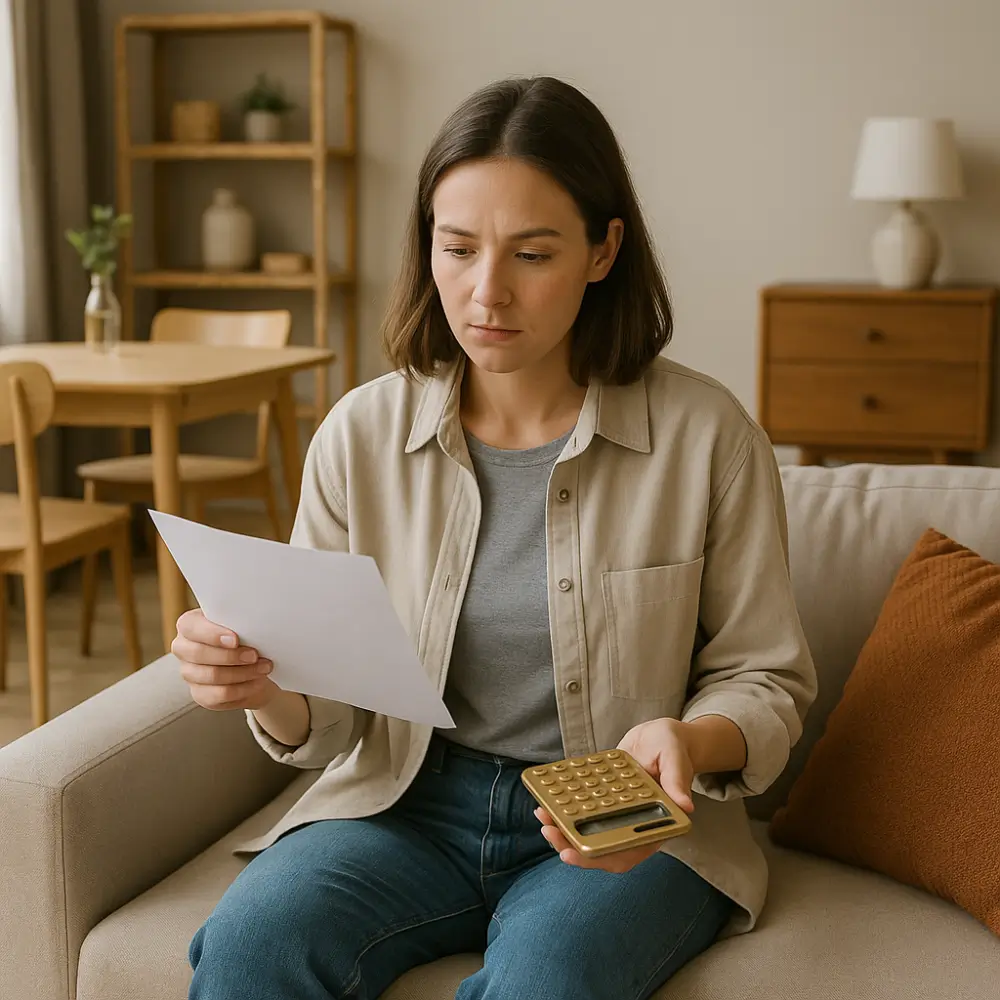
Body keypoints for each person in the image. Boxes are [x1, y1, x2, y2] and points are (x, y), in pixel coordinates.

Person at [177, 76, 817, 1000]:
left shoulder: (707, 437)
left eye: (532, 253)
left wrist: (689, 736)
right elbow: (327, 720)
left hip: (618, 817)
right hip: (407, 804)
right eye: (459, 248)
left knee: (547, 982)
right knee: (250, 947)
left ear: (603, 251)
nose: (487, 293)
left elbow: (767, 677)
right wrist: (266, 686)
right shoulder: (360, 436)